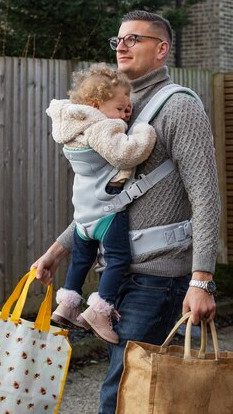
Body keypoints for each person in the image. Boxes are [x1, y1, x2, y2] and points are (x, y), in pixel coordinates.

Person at [32, 10, 221, 414]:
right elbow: (106, 204)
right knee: (135, 393)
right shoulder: (115, 113)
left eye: (134, 38)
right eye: (118, 39)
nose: (122, 45)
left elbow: (206, 195)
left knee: (121, 393)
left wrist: (201, 280)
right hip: (120, 275)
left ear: (161, 49)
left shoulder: (178, 108)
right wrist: (54, 253)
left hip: (160, 277)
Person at [46, 63, 156, 345]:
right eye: (120, 108)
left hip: (83, 214)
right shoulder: (99, 128)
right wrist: (143, 131)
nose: (125, 113)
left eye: (127, 108)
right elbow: (126, 155)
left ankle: (68, 305)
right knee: (118, 259)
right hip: (108, 211)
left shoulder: (72, 129)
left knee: (82, 260)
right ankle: (99, 310)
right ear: (95, 105)